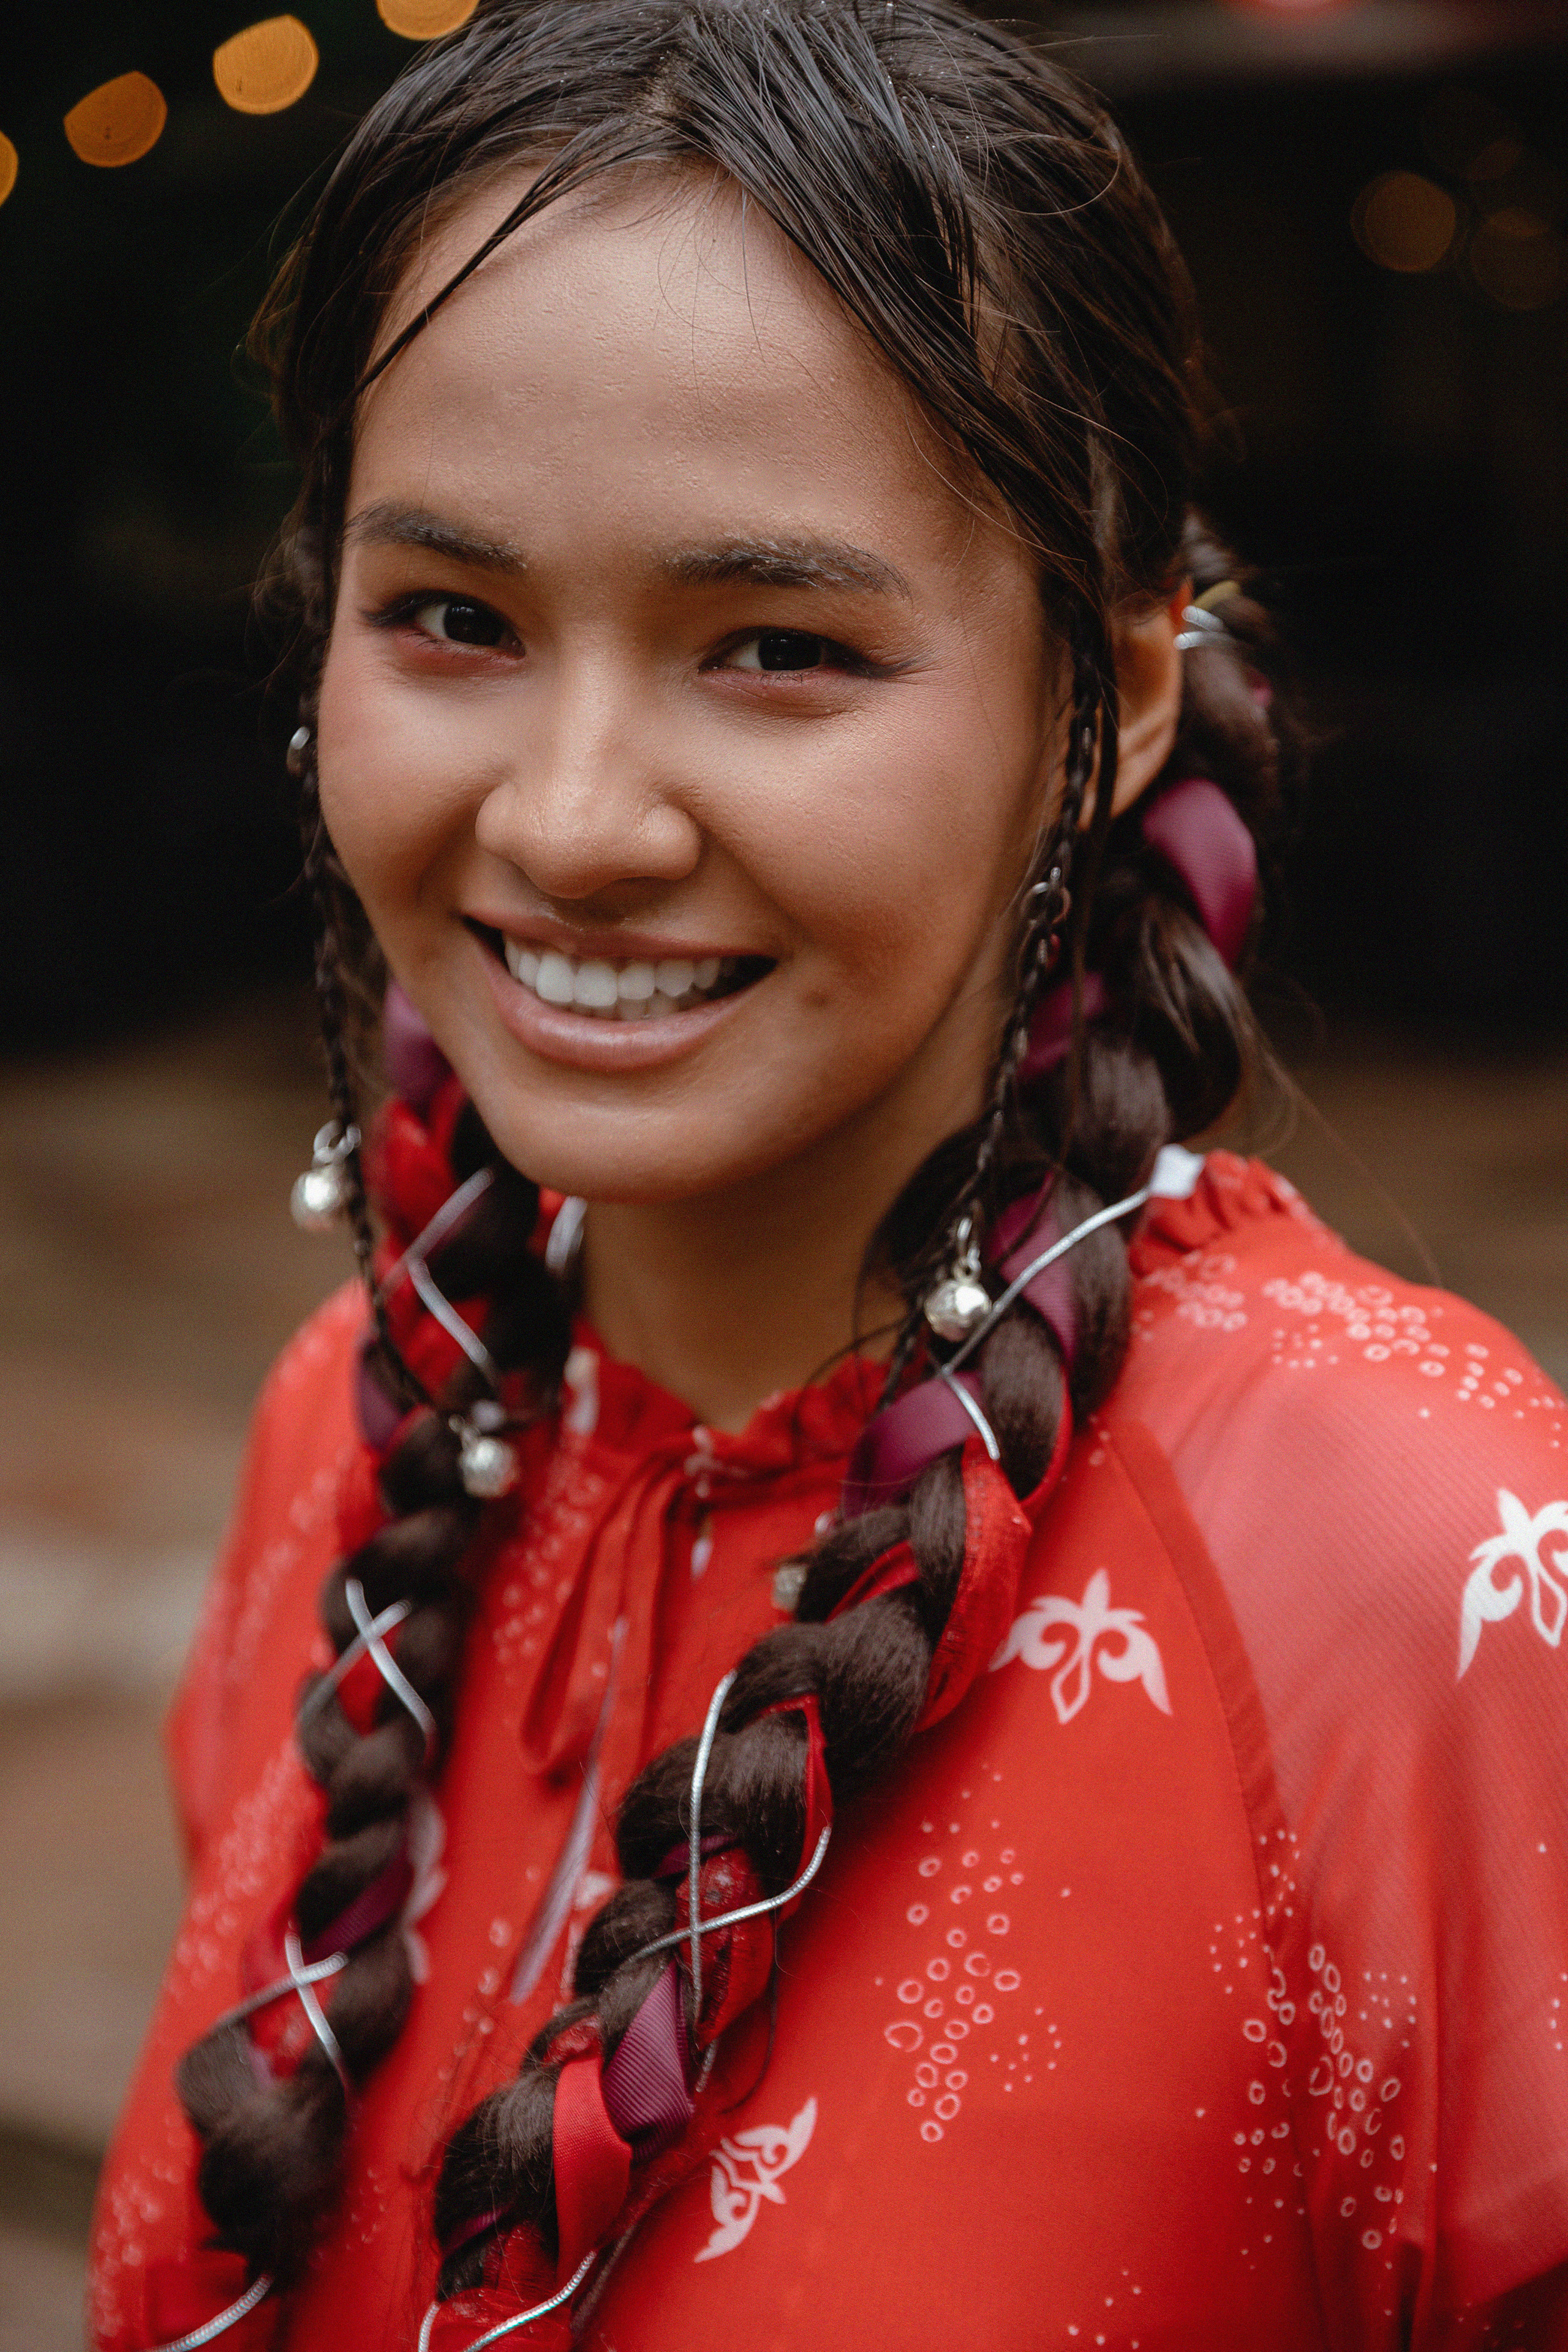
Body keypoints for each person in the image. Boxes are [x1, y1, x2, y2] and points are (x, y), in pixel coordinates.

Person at [88, 4, 1568, 2346]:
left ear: (1120, 698)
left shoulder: (1418, 1576)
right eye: (451, 618)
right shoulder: (335, 1449)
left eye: (777, 647)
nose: (571, 820)